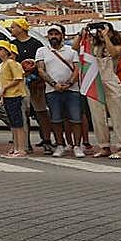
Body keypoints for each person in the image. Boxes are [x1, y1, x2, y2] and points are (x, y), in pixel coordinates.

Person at [74, 22, 121, 160]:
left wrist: (106, 37)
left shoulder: (117, 44)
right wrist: (81, 34)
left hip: (111, 80)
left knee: (118, 115)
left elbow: (114, 52)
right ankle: (104, 146)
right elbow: (75, 48)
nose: (98, 33)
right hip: (94, 81)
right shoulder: (92, 45)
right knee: (97, 116)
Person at [5, 18, 52, 154]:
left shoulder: (35, 44)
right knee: (22, 113)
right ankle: (25, 143)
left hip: (36, 83)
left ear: (21, 28)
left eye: (13, 27)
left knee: (41, 112)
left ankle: (47, 140)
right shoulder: (11, 45)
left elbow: (40, 64)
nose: (11, 30)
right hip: (19, 84)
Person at [35, 24, 83, 157]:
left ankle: (77, 146)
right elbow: (40, 69)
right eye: (51, 34)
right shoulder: (42, 51)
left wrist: (69, 83)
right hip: (52, 90)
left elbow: (77, 69)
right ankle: (60, 145)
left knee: (76, 119)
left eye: (56, 34)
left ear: (62, 35)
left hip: (72, 90)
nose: (53, 37)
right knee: (56, 119)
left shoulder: (71, 51)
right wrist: (53, 84)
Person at [0, 40, 28, 158]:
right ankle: (15, 147)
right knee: (13, 124)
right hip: (7, 96)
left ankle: (21, 149)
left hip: (14, 95)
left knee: (18, 123)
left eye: (1, 49)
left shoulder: (11, 63)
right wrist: (2, 96)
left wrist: (5, 89)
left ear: (7, 51)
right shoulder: (2, 64)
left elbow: (17, 79)